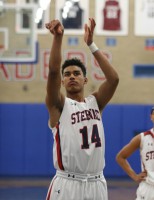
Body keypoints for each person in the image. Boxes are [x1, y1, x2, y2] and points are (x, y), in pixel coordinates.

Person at [45, 17, 119, 200]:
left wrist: (91, 44)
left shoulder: (96, 102)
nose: (72, 76)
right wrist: (58, 38)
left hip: (96, 183)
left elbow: (114, 79)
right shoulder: (59, 105)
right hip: (67, 184)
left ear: (85, 80)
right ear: (62, 82)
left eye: (76, 73)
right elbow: (53, 71)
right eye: (67, 74)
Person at [116, 107, 154, 200]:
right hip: (148, 188)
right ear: (151, 117)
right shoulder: (142, 138)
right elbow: (120, 157)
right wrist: (135, 176)